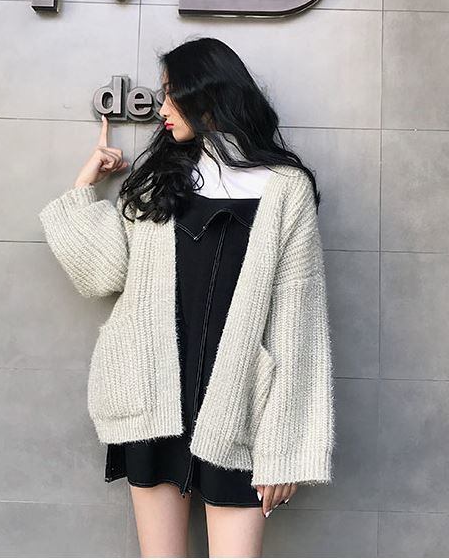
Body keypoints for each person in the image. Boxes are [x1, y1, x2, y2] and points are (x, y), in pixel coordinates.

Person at [39, 37, 335, 558]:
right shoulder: (160, 182)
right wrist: (86, 183)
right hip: (154, 400)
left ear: (207, 94)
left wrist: (286, 447)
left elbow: (299, 325)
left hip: (240, 406)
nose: (163, 108)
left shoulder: (285, 189)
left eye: (172, 94)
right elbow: (105, 273)